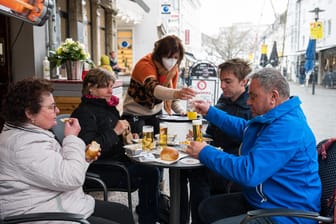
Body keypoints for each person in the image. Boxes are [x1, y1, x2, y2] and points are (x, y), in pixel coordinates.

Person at [186, 67, 321, 223]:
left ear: (273, 97)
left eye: (253, 96)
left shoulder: (288, 127)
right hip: (263, 201)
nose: (248, 101)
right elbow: (245, 128)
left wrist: (205, 151)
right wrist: (210, 111)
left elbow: (248, 172)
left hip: (286, 214)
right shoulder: (274, 117)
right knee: (207, 208)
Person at [0, 77, 134, 224]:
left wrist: (85, 157)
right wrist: (71, 138)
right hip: (43, 214)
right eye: (51, 107)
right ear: (30, 114)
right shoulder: (23, 145)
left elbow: (61, 169)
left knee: (123, 213)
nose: (57, 110)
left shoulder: (31, 134)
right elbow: (72, 178)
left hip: (61, 203)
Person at [71, 68, 161, 224]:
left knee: (154, 164)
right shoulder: (84, 113)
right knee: (151, 172)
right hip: (101, 169)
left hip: (116, 162)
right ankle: (148, 219)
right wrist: (115, 131)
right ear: (91, 87)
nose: (110, 91)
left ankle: (150, 214)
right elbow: (89, 149)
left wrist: (128, 137)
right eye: (106, 86)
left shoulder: (106, 107)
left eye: (111, 86)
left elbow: (112, 136)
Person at [179, 58, 252, 224]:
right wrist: (200, 136)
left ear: (244, 82)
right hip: (213, 157)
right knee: (182, 172)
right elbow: (212, 131)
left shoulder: (251, 106)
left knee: (200, 178)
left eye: (228, 81)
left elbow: (246, 135)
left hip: (230, 165)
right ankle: (181, 218)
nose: (222, 86)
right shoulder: (224, 100)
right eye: (221, 81)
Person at [122, 34, 196, 135]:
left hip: (155, 114)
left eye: (175, 57)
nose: (172, 61)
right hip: (135, 114)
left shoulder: (173, 70)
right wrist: (177, 93)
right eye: (168, 56)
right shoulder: (145, 64)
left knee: (159, 143)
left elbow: (172, 97)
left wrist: (182, 111)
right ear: (159, 54)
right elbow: (154, 89)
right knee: (139, 146)